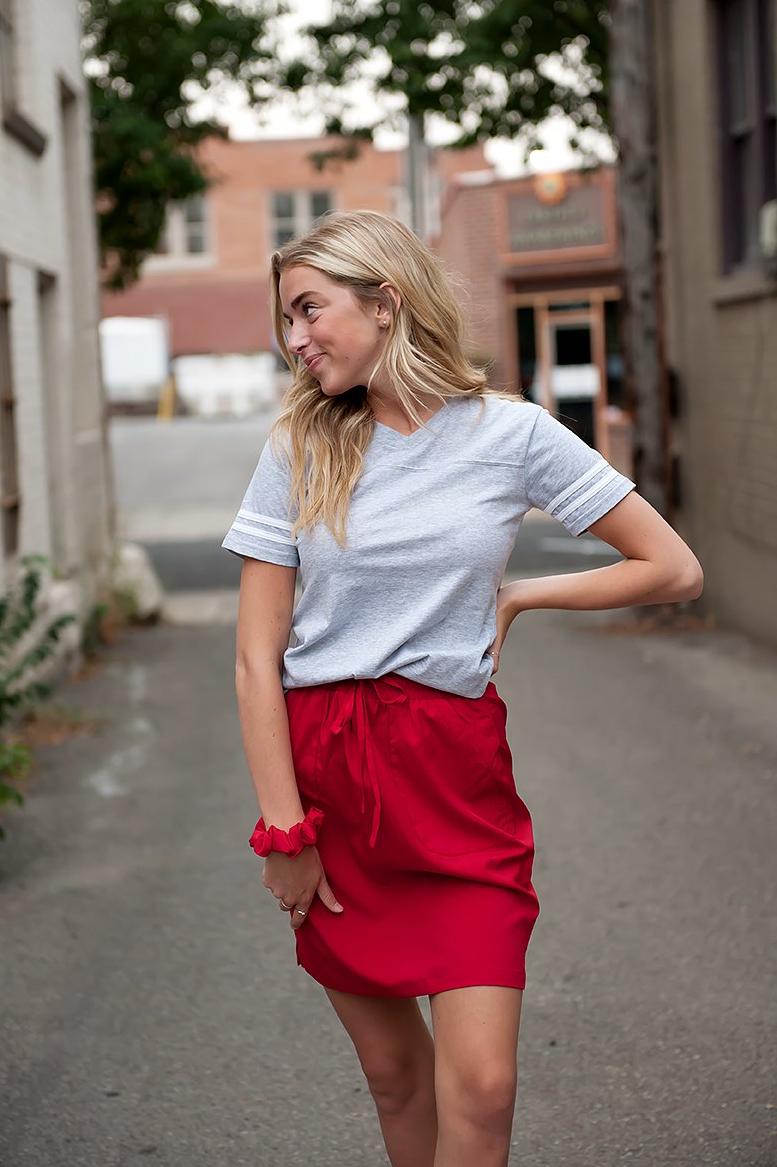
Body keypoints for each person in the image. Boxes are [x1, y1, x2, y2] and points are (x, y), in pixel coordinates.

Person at [222, 210, 703, 1167]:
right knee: (397, 1079)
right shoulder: (300, 447)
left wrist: (524, 595)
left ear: (386, 301)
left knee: (481, 1087)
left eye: (310, 310)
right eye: (286, 319)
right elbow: (253, 656)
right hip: (329, 781)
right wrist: (284, 833)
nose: (295, 339)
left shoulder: (513, 435)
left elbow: (671, 566)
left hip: (454, 778)